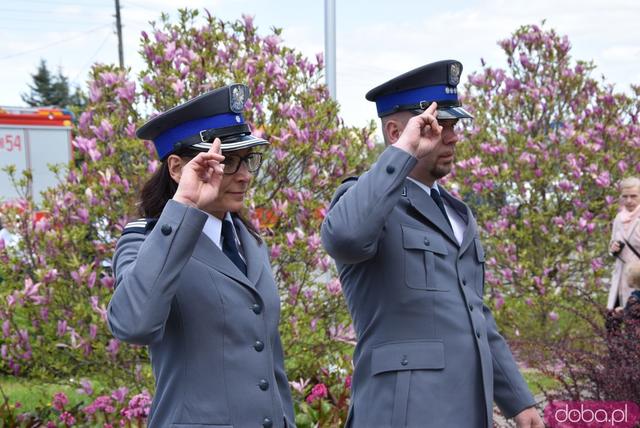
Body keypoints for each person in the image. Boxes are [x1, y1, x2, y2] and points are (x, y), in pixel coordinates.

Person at [321, 60, 542, 428]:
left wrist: (518, 399)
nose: (453, 137)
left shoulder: (457, 213)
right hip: (404, 413)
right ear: (396, 132)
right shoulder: (367, 202)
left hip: (466, 411)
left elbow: (476, 317)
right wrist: (402, 153)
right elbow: (344, 238)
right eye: (438, 126)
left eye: (454, 126)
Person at [107, 84, 295, 428]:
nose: (244, 175)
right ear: (178, 168)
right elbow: (132, 324)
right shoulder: (147, 240)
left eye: (247, 160)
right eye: (227, 162)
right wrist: (184, 206)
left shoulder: (249, 242)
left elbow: (268, 360)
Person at [607, 177, 640, 310]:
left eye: (633, 196)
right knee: (615, 321)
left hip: (638, 278)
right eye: (625, 196)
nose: (629, 201)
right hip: (621, 277)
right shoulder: (618, 218)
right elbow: (612, 243)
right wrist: (612, 248)